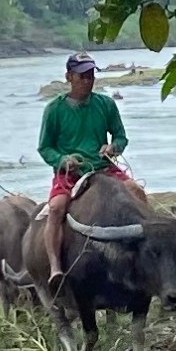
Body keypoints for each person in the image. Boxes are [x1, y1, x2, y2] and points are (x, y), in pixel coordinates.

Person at [37, 51, 147, 284]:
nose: (87, 80)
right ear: (69, 77)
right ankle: (55, 266)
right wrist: (62, 160)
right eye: (82, 76)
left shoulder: (105, 104)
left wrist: (112, 148)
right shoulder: (54, 110)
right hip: (70, 173)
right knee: (56, 208)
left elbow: (120, 137)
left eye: (90, 75)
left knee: (137, 191)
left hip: (103, 167)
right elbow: (45, 148)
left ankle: (148, 246)